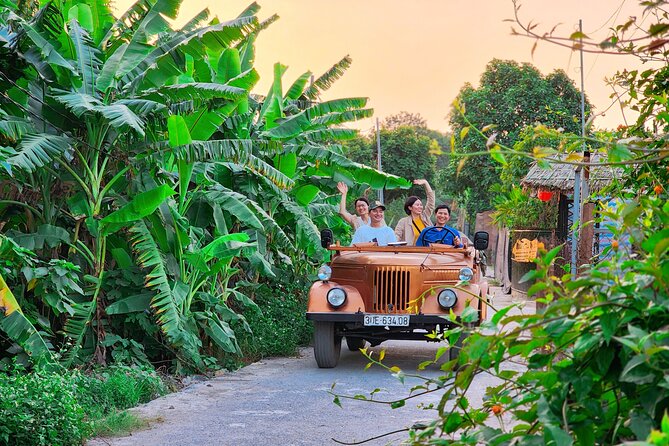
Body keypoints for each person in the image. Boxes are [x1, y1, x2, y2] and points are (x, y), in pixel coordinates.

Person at [394, 179, 435, 246]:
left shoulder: (425, 217)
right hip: (412, 254)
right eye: (417, 205)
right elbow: (397, 236)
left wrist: (425, 183)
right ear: (410, 207)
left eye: (421, 205)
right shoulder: (403, 222)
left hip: (427, 252)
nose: (420, 207)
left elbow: (431, 202)